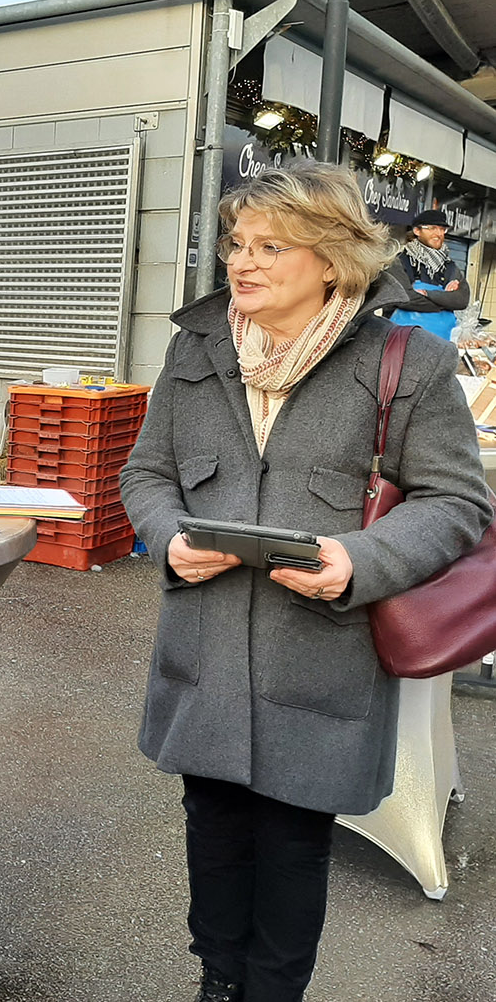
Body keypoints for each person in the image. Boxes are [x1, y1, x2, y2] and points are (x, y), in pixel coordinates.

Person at [120, 162, 490, 1002]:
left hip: (321, 655)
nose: (241, 263)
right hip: (204, 648)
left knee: (290, 845)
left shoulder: (406, 364)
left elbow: (456, 502)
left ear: (331, 260)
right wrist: (169, 537)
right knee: (211, 829)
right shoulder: (195, 350)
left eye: (269, 246)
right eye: (235, 244)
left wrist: (359, 561)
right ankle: (216, 981)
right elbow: (145, 473)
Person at [386, 209, 471, 340]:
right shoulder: (399, 262)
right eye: (432, 228)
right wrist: (445, 302)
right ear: (417, 231)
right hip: (404, 341)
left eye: (442, 229)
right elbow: (404, 298)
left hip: (442, 343)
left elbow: (462, 299)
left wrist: (427, 294)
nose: (438, 234)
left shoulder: (449, 266)